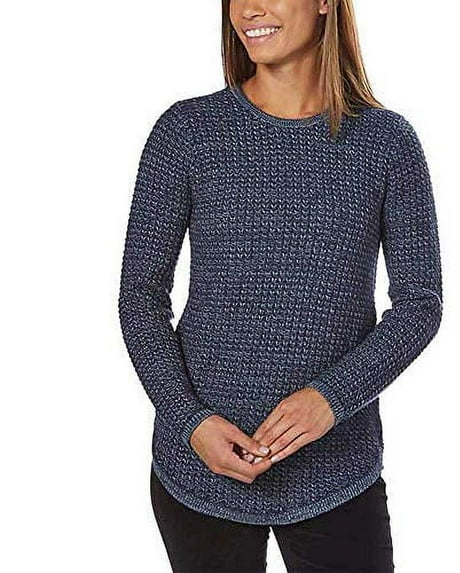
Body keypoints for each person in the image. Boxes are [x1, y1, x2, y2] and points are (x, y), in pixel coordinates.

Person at [118, 0, 443, 571]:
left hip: (337, 472)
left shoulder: (387, 143)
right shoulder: (186, 132)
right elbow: (140, 296)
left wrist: (330, 399)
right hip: (198, 469)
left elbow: (420, 305)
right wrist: (188, 421)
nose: (249, 9)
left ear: (324, 3)